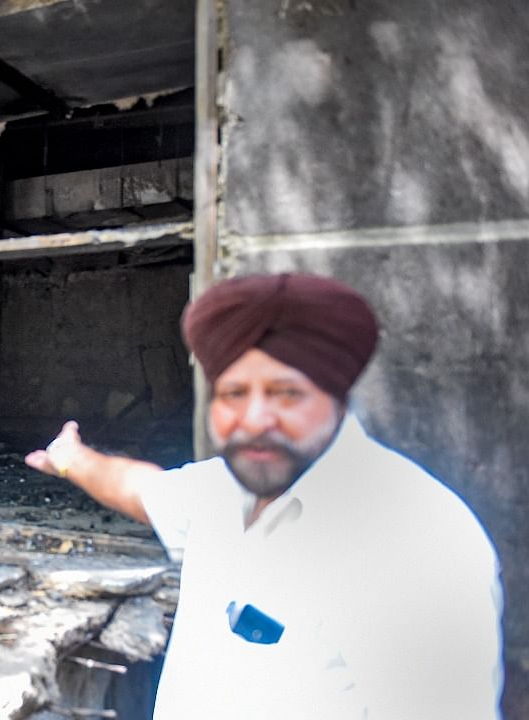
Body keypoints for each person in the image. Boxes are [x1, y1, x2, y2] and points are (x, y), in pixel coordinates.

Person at [25, 273, 503, 719]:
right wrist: (71, 459)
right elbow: (138, 488)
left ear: (338, 394)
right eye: (233, 393)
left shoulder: (418, 539)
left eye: (286, 394)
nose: (254, 419)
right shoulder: (222, 491)